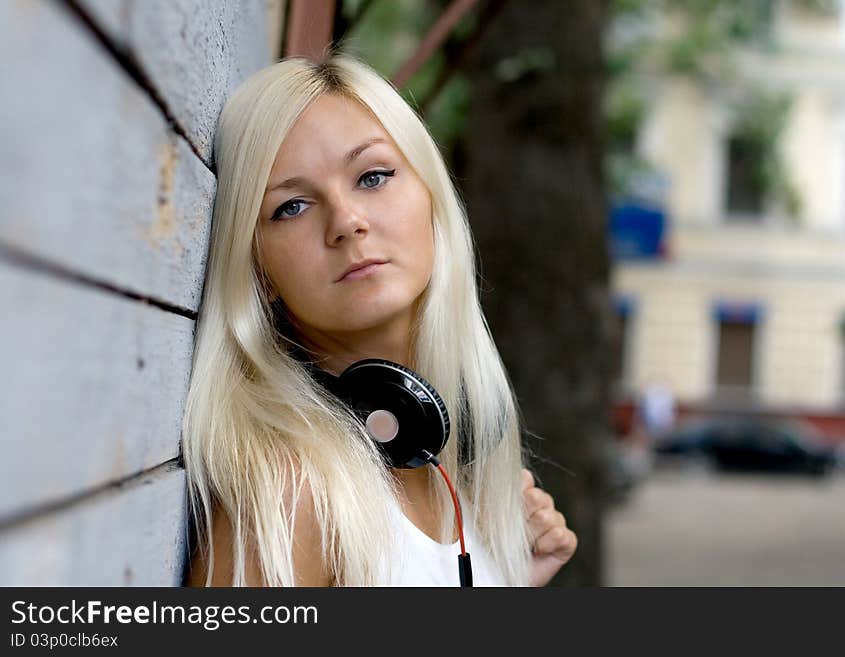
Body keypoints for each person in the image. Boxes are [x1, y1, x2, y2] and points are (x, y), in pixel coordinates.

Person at [183, 52, 576, 587]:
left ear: (431, 201)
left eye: (372, 176)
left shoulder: (450, 479)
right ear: (258, 270)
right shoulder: (293, 500)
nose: (346, 221)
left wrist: (506, 578)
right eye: (291, 207)